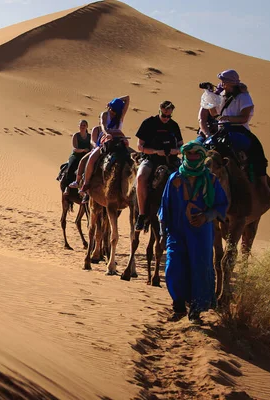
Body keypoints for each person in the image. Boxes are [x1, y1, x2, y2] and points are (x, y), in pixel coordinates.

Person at [159, 141, 228, 322]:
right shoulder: (174, 179)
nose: (192, 158)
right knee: (173, 266)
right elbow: (164, 207)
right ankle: (179, 305)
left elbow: (221, 205)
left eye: (196, 155)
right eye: (189, 155)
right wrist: (162, 232)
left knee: (200, 267)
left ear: (202, 156)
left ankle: (196, 309)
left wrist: (206, 217)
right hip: (177, 230)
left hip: (201, 232)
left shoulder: (211, 180)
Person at [207, 69, 270, 196]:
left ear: (230, 83)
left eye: (223, 81)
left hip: (239, 129)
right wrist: (211, 96)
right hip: (222, 130)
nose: (221, 83)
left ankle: (264, 186)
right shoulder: (221, 96)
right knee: (204, 148)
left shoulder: (244, 97)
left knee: (257, 153)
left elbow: (244, 118)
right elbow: (213, 113)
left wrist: (227, 119)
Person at [134, 100, 183, 232]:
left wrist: (176, 150)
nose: (166, 118)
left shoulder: (174, 126)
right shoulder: (148, 123)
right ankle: (142, 214)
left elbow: (181, 145)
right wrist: (155, 151)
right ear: (160, 110)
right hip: (151, 159)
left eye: (169, 116)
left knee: (186, 179)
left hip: (171, 160)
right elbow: (140, 146)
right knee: (140, 177)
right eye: (164, 115)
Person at [75, 95, 130, 192]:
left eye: (114, 111)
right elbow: (103, 126)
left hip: (119, 140)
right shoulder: (105, 114)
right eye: (111, 109)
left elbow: (127, 98)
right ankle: (86, 183)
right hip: (105, 140)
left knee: (132, 158)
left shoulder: (121, 115)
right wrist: (107, 134)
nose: (112, 112)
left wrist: (116, 101)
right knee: (91, 158)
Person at [61, 120, 92, 194]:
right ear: (79, 126)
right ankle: (67, 187)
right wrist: (83, 150)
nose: (82, 127)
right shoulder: (76, 135)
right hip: (76, 155)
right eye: (81, 125)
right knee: (70, 167)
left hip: (86, 155)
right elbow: (75, 148)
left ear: (87, 126)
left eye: (84, 125)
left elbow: (91, 146)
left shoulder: (89, 136)